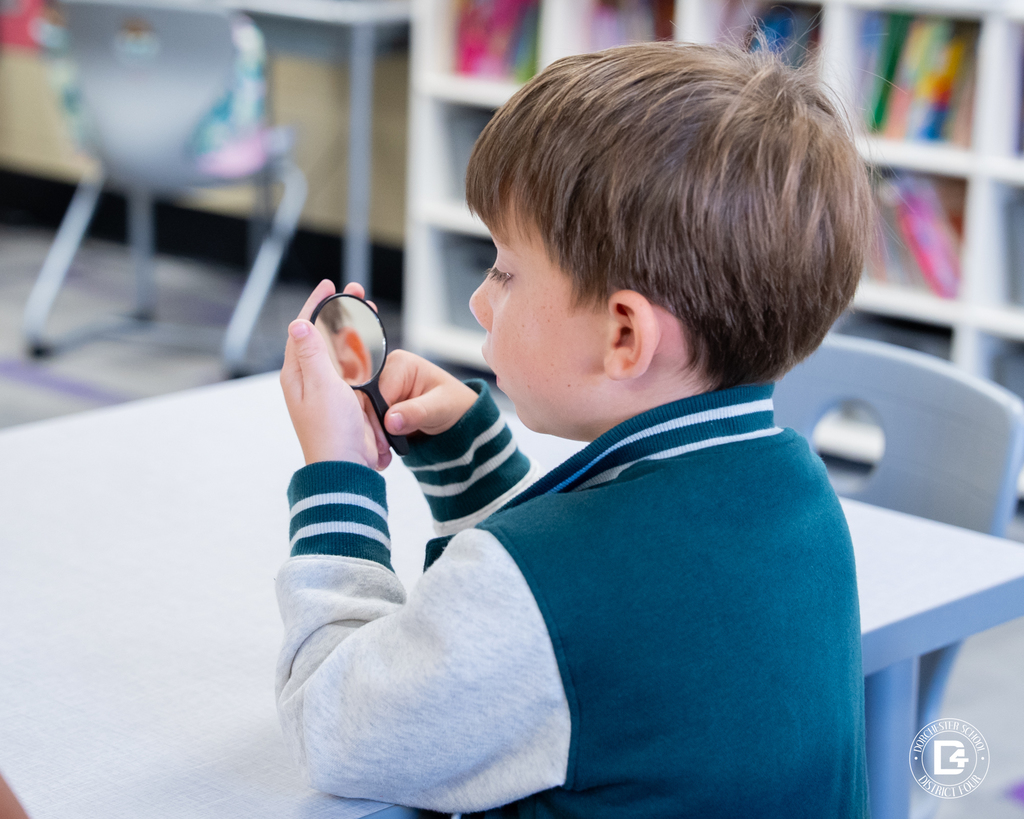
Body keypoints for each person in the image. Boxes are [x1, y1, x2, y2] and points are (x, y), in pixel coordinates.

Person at [277, 41, 873, 818]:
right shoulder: (798, 496)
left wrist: (338, 482)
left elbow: (337, 729)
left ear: (624, 336)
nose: (479, 302)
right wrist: (472, 460)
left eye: (505, 271)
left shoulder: (538, 587)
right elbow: (593, 629)